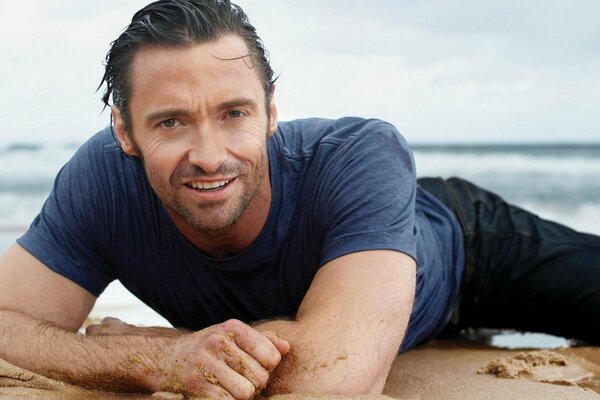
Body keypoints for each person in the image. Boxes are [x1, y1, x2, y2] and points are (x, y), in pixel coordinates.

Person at [0, 0, 598, 398]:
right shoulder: (102, 182)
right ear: (125, 131)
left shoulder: (361, 152)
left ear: (271, 112)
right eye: (171, 122)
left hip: (469, 249)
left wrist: (164, 348)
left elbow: (337, 375)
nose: (208, 155)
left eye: (234, 113)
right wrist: (161, 365)